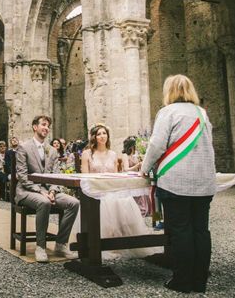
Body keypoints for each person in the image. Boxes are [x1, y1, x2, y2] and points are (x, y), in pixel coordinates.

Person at [141, 74, 216, 293]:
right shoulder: (202, 113)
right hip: (203, 181)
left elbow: (156, 145)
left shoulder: (168, 112)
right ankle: (199, 280)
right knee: (201, 230)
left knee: (180, 231)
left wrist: (144, 168)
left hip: (176, 181)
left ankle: (182, 280)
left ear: (169, 91)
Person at [77, 124, 161, 259]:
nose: (102, 136)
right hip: (96, 192)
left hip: (111, 190)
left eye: (104, 133)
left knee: (124, 202)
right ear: (94, 137)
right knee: (106, 205)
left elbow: (116, 177)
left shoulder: (113, 154)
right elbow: (85, 177)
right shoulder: (87, 154)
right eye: (99, 134)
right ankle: (101, 243)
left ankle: (125, 241)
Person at [15, 115, 79, 263]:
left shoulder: (52, 150)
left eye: (48, 126)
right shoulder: (23, 147)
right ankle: (41, 247)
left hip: (48, 191)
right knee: (44, 203)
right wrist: (42, 192)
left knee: (74, 203)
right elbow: (23, 176)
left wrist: (52, 191)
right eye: (43, 124)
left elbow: (56, 175)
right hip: (27, 191)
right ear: (34, 127)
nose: (46, 128)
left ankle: (61, 244)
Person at [121, 135, 151, 217]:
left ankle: (147, 208)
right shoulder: (125, 156)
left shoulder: (137, 155)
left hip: (136, 177)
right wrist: (137, 165)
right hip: (128, 178)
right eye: (136, 145)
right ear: (132, 146)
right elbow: (126, 169)